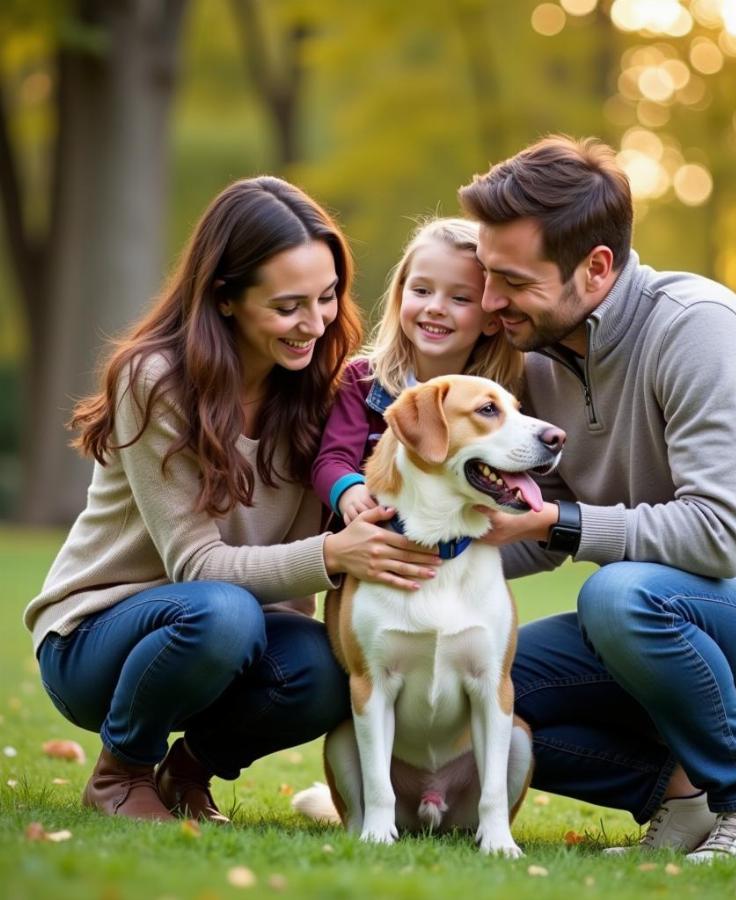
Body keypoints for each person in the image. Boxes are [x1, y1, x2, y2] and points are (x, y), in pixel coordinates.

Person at [457, 136, 736, 863]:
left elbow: (717, 537)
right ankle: (686, 805)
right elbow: (530, 525)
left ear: (596, 269)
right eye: (488, 276)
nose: (492, 302)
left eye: (513, 281)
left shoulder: (696, 327)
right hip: (667, 620)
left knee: (618, 596)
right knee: (468, 687)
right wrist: (417, 553)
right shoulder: (540, 357)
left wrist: (564, 524)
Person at [24, 177, 443, 822]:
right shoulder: (156, 380)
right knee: (222, 612)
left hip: (232, 638)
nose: (315, 323)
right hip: (97, 641)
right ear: (224, 298)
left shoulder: (319, 388)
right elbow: (197, 567)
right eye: (288, 306)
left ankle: (185, 774)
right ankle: (121, 774)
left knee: (331, 667)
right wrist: (335, 552)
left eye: (327, 297)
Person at [312, 217, 522, 526]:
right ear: (400, 296)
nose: (436, 307)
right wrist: (349, 491)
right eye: (422, 290)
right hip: (372, 544)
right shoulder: (363, 380)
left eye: (460, 298)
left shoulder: (497, 401)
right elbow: (332, 460)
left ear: (491, 319)